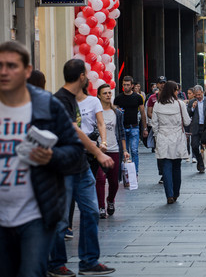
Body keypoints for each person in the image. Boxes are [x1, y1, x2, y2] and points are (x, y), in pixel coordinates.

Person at [0, 41, 84, 277]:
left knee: (31, 272)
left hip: (35, 212)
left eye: (11, 66)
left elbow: (74, 152)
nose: (4, 71)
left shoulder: (47, 105)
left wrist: (52, 156)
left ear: (27, 71)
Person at [49, 59, 115, 276]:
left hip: (81, 166)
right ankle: (56, 264)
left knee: (91, 212)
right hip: (64, 167)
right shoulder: (60, 99)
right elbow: (73, 130)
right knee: (60, 219)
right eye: (86, 74)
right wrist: (97, 151)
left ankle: (88, 261)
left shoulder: (76, 99)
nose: (87, 77)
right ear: (81, 76)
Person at [151, 81, 191, 204]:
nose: (178, 92)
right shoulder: (180, 104)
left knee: (166, 166)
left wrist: (157, 136)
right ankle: (176, 192)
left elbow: (154, 124)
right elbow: (187, 122)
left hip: (163, 137)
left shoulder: (157, 105)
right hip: (177, 137)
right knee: (176, 166)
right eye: (176, 90)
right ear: (172, 91)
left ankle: (169, 194)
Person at [96, 84, 129, 219]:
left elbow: (121, 133)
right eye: (105, 93)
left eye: (109, 93)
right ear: (99, 96)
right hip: (99, 150)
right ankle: (101, 207)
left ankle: (110, 200)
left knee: (114, 181)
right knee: (100, 179)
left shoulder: (117, 113)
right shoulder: (96, 113)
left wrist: (125, 150)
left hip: (114, 149)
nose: (108, 95)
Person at [115, 75, 147, 174]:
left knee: (134, 151)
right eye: (124, 85)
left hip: (134, 127)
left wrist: (145, 128)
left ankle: (135, 172)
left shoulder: (138, 97)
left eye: (128, 85)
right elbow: (114, 113)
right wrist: (117, 110)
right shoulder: (118, 98)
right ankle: (125, 172)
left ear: (132, 85)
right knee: (125, 151)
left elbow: (142, 113)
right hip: (123, 127)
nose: (126, 87)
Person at [76, 86, 107, 177]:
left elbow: (101, 123)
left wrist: (104, 142)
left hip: (90, 149)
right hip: (74, 149)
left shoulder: (93, 101)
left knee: (91, 180)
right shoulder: (67, 101)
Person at [187, 85, 206, 173]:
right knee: (194, 146)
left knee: (203, 147)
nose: (198, 97)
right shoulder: (192, 102)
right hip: (196, 127)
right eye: (196, 95)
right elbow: (188, 114)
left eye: (199, 94)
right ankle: (200, 161)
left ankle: (201, 165)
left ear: (202, 92)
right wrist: (193, 108)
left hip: (205, 127)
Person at [147, 76, 166, 181]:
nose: (162, 84)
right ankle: (162, 172)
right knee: (159, 150)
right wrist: (157, 118)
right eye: (160, 83)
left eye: (164, 82)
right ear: (157, 85)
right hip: (157, 128)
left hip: (168, 128)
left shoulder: (171, 97)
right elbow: (149, 112)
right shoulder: (152, 98)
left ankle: (166, 173)